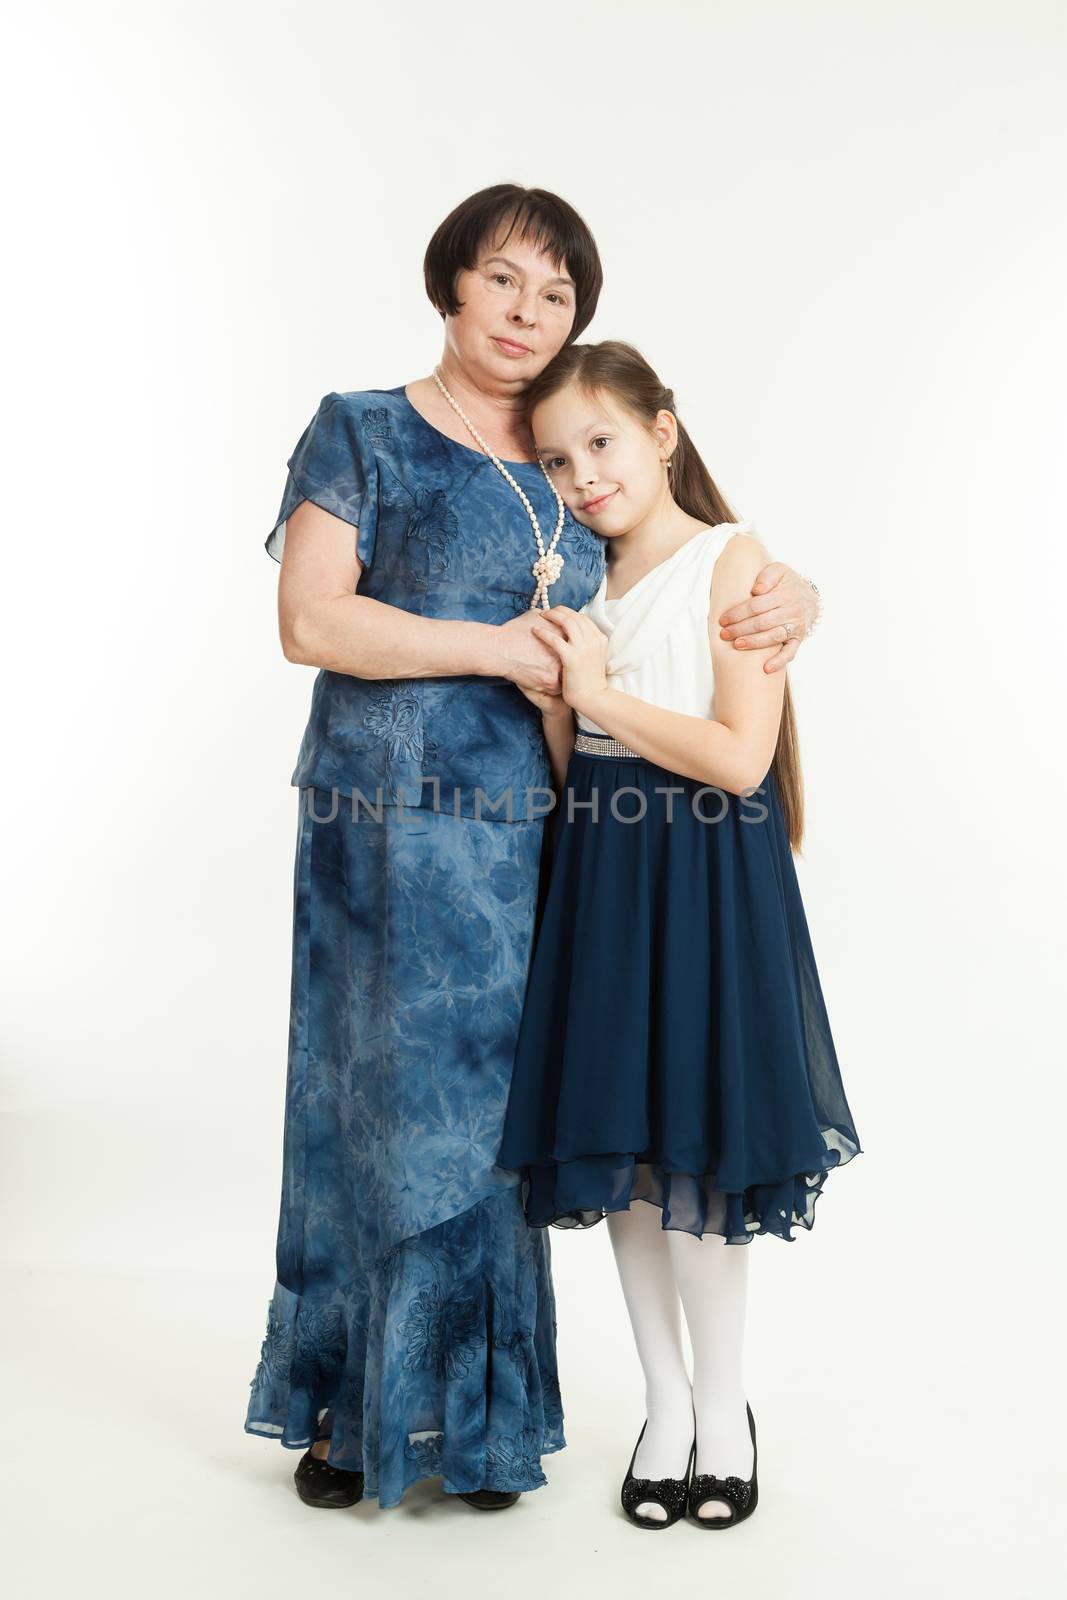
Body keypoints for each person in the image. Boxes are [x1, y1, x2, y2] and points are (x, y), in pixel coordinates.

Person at [244, 184, 823, 1515]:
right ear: (450, 283)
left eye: (553, 293)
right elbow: (309, 623)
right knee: (371, 1112)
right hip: (381, 829)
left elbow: (700, 566)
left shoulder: (580, 456)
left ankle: (486, 1432)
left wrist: (799, 590)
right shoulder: (363, 429)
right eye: (502, 280)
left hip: (560, 847)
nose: (523, 312)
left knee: (531, 1136)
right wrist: (496, 652)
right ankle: (356, 1411)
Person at [496, 339, 862, 1530]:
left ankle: (721, 1407)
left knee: (697, 1152)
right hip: (605, 876)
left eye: (598, 442)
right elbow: (575, 776)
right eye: (555, 459)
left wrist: (594, 694)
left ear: (660, 430)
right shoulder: (577, 589)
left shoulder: (731, 561)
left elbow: (739, 758)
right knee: (623, 1162)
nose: (580, 474)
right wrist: (559, 706)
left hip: (704, 881)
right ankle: (660, 1403)